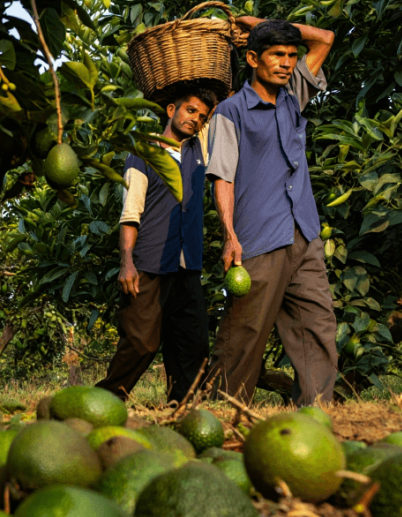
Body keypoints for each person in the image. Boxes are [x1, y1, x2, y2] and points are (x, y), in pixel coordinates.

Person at [205, 17, 336, 405]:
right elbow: (222, 179)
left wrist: (260, 23)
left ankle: (314, 418)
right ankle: (221, 414)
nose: (286, 63)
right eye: (276, 54)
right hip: (258, 239)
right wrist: (230, 236)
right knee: (244, 333)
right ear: (252, 58)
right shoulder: (231, 112)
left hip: (304, 233)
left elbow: (325, 38)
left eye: (292, 56)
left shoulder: (294, 93)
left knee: (318, 328)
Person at [95, 86, 218, 404]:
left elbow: (221, 102)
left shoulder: (198, 148)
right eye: (190, 110)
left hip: (187, 264)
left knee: (193, 344)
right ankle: (102, 402)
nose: (196, 119)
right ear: (171, 110)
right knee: (141, 344)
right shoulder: (143, 152)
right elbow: (130, 213)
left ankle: (182, 407)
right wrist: (127, 262)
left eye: (201, 117)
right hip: (149, 262)